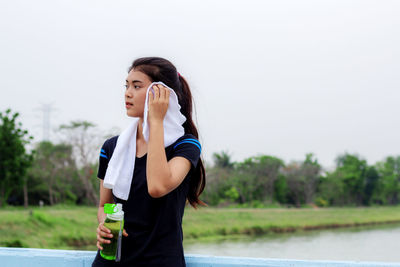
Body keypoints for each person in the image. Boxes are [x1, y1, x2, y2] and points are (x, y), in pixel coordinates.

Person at [91, 57, 206, 267]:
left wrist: (155, 121)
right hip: (111, 262)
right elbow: (105, 205)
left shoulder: (186, 146)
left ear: (162, 94)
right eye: (126, 86)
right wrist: (104, 224)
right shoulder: (112, 148)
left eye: (137, 86)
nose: (127, 92)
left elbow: (157, 186)